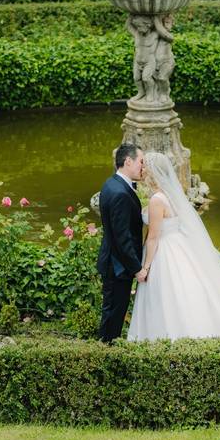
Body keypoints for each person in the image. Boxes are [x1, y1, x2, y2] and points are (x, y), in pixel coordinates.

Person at [127, 152, 220, 341]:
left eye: (144, 166)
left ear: (152, 172)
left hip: (164, 250)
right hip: (179, 246)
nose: (141, 169)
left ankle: (167, 336)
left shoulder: (156, 200)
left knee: (166, 294)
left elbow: (153, 237)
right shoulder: (171, 194)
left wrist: (145, 267)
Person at [96, 143, 145, 342]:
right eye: (141, 161)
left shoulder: (112, 183)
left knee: (112, 312)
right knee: (114, 315)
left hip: (114, 261)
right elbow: (122, 237)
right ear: (128, 161)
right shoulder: (120, 194)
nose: (143, 166)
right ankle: (106, 352)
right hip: (118, 266)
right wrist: (137, 269)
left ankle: (105, 348)